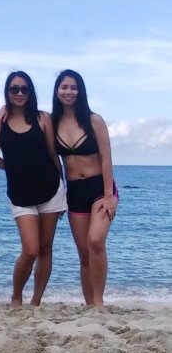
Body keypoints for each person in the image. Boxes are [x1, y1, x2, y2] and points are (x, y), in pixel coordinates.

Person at [0, 71, 66, 307]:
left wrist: (63, 189)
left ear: (31, 92)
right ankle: (16, 296)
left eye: (24, 89)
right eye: (14, 89)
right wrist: (11, 167)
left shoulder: (43, 118)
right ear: (7, 92)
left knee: (45, 248)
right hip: (20, 193)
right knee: (30, 249)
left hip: (51, 188)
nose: (19, 93)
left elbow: (53, 154)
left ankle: (36, 301)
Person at [52, 69, 118, 307]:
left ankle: (99, 301)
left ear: (80, 91)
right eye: (64, 87)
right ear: (57, 91)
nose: (69, 92)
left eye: (74, 87)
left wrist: (109, 196)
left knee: (96, 241)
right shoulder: (52, 122)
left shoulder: (93, 120)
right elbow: (54, 163)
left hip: (100, 188)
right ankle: (90, 304)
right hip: (75, 192)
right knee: (83, 254)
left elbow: (106, 158)